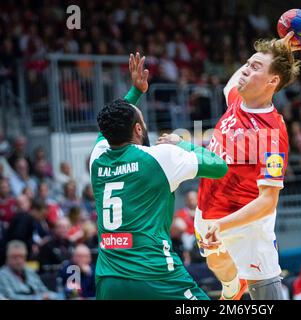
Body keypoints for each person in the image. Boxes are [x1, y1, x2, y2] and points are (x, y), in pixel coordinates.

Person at [93, 53, 228, 300]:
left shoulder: (97, 157)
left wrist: (134, 92)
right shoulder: (161, 157)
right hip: (155, 274)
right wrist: (182, 143)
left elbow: (109, 126)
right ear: (138, 129)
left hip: (108, 278)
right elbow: (219, 166)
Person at [189, 32, 301, 300]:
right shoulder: (237, 100)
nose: (244, 71)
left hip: (246, 225)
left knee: (267, 297)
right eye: (247, 63)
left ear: (273, 81)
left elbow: (268, 201)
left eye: (255, 68)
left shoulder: (272, 131)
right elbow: (232, 81)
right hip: (208, 211)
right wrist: (280, 46)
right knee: (217, 263)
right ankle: (231, 288)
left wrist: (224, 224)